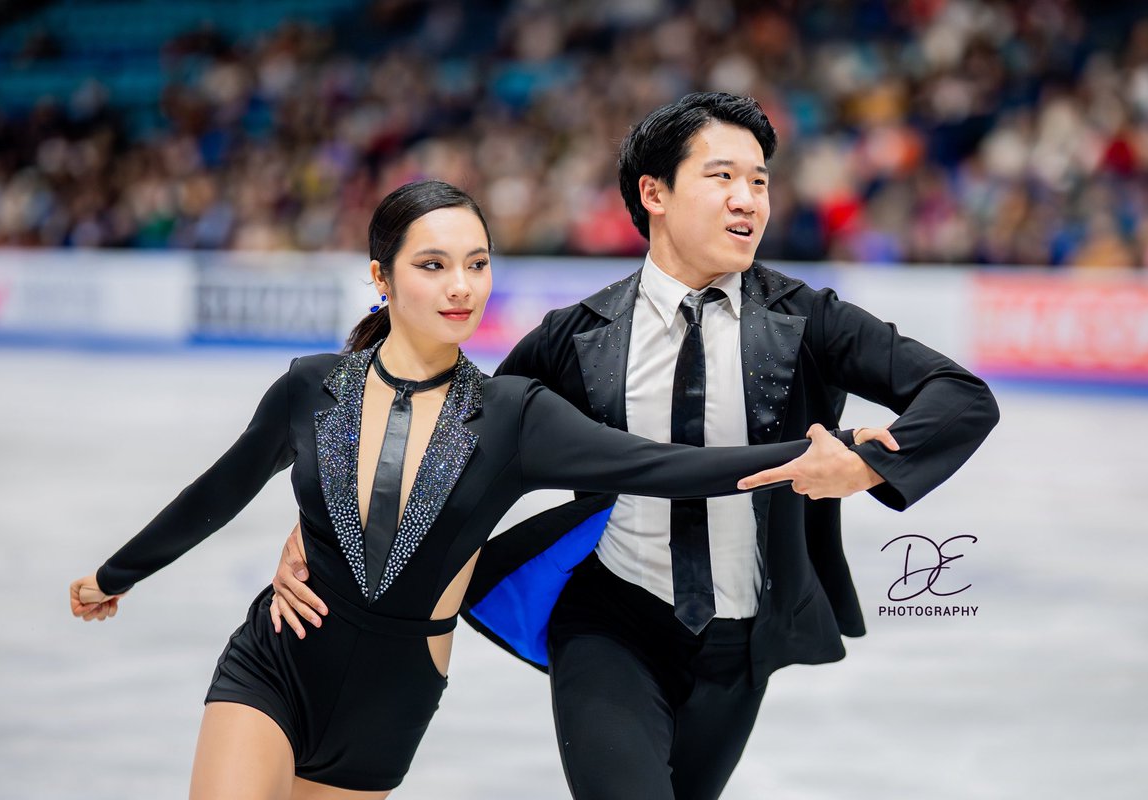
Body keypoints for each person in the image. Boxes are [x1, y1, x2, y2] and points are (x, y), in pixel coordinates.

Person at [271, 94, 1000, 799]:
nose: (748, 199)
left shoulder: (808, 320)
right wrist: (326, 527)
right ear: (654, 192)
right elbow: (457, 443)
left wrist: (870, 459)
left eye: (759, 181)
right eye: (722, 177)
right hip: (609, 621)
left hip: (740, 646)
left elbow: (960, 394)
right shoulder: (579, 335)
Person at [69, 178, 896, 799]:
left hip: (390, 700)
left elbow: (660, 464)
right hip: (277, 661)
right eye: (433, 265)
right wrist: (115, 576)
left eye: (476, 263)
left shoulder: (513, 416)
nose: (462, 286)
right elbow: (218, 492)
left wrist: (812, 456)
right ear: (382, 276)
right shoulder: (309, 388)